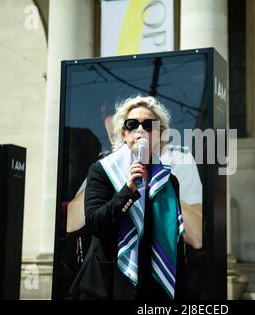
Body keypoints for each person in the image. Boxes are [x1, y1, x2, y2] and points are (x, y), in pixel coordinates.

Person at [70, 96, 189, 300]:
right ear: (124, 134)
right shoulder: (102, 171)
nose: (140, 130)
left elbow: (175, 238)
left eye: (148, 125)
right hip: (108, 284)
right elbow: (96, 223)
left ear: (159, 134)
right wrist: (128, 189)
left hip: (153, 286)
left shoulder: (170, 181)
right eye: (132, 125)